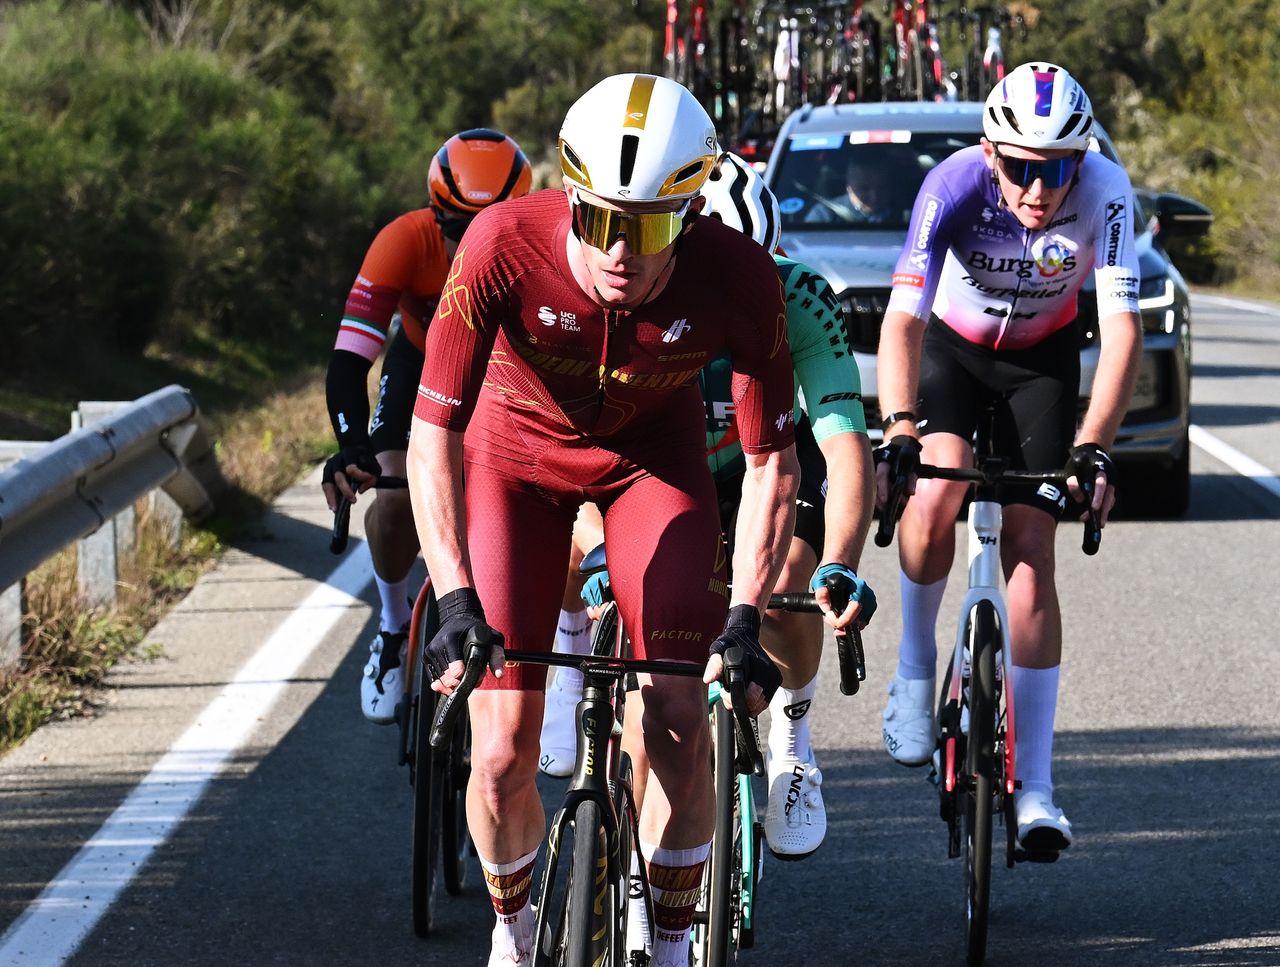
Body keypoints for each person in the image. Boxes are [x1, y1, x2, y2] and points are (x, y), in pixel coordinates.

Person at [406, 73, 800, 967]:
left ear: (690, 214)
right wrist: (456, 598)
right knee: (500, 752)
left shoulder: (740, 278)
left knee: (678, 715)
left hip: (651, 466)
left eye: (650, 227)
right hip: (513, 464)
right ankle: (512, 934)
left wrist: (745, 616)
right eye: (599, 220)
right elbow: (433, 435)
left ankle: (671, 944)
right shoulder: (503, 245)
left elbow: (772, 462)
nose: (620, 250)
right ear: (572, 197)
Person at [544, 153, 880, 861]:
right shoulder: (624, 297)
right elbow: (581, 458)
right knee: (647, 683)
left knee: (793, 572)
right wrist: (602, 553)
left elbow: (846, 448)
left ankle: (793, 737)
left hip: (766, 464)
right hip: (655, 473)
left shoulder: (801, 298)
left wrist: (843, 562)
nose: (740, 295)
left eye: (756, 274)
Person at [874, 62, 1142, 854]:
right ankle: (914, 670)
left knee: (1031, 543)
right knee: (934, 494)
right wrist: (899, 426)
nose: (1037, 188)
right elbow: (902, 319)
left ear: (1080, 162)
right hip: (953, 353)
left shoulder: (1107, 192)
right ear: (991, 153)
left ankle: (1038, 791)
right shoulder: (951, 185)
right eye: (1021, 167)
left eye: (1057, 170)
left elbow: (1121, 329)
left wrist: (1095, 446)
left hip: (1041, 363)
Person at [320, 129, 531, 724]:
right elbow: (349, 360)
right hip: (420, 361)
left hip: (504, 365)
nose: (471, 240)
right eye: (457, 226)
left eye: (488, 224)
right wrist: (351, 445)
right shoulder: (404, 240)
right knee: (392, 500)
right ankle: (392, 627)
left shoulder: (539, 241)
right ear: (434, 214)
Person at [805, 151, 899, 225]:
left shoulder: (905, 214)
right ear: (849, 186)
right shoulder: (823, 216)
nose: (875, 197)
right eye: (864, 189)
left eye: (882, 188)